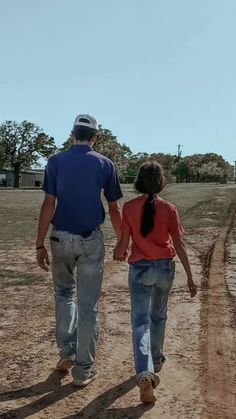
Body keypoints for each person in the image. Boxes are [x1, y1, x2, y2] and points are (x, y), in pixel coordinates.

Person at [36, 114, 123, 387]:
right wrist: (122, 241)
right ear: (95, 137)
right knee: (89, 305)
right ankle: (83, 369)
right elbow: (114, 207)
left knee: (64, 295)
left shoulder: (55, 162)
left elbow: (49, 204)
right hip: (90, 240)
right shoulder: (105, 164)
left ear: (72, 134)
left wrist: (39, 243)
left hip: (60, 238)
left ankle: (67, 353)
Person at [113, 161, 197, 404]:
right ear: (161, 182)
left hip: (140, 269)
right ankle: (157, 359)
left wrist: (118, 252)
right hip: (165, 268)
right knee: (158, 316)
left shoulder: (128, 208)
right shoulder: (169, 209)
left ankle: (145, 372)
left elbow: (124, 243)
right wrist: (190, 276)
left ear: (139, 181)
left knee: (140, 322)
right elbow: (179, 244)